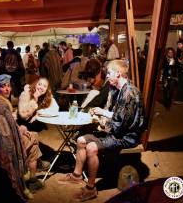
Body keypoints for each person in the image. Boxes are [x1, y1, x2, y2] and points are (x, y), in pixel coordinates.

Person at [58, 60, 145, 202]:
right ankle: (76, 175)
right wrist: (102, 112)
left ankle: (91, 189)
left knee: (91, 147)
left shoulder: (129, 93)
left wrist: (101, 121)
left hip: (127, 137)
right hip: (120, 131)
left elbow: (120, 126)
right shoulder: (120, 88)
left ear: (118, 74)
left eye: (109, 73)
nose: (107, 76)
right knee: (81, 140)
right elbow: (119, 115)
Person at [0, 74, 47, 196]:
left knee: (32, 139)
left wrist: (18, 128)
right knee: (34, 137)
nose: (7, 89)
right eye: (3, 87)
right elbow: (5, 138)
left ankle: (31, 179)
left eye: (8, 86)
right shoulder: (0, 108)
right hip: (5, 150)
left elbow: (8, 127)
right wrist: (18, 132)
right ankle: (28, 180)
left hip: (0, 144)